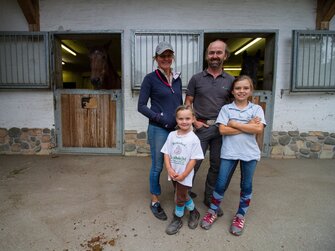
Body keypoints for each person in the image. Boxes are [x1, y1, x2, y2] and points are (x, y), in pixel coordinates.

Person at [200, 75, 266, 236]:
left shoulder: (256, 109)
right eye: (238, 88)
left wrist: (234, 123)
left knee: (246, 185)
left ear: (251, 90)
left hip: (250, 154)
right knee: (221, 184)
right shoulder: (226, 109)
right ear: (232, 91)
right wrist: (248, 125)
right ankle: (213, 211)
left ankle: (240, 215)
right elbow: (222, 130)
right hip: (229, 153)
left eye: (245, 88)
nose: (241, 91)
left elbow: (259, 130)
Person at [185, 39, 234, 216]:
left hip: (220, 130)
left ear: (225, 56)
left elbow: (234, 105)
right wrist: (194, 121)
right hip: (200, 128)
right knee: (193, 163)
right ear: (207, 56)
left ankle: (209, 197)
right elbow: (188, 102)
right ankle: (184, 195)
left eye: (219, 52)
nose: (215, 56)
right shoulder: (196, 79)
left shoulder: (231, 80)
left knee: (216, 165)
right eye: (212, 52)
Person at [138, 41, 183, 221]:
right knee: (158, 166)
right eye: (162, 56)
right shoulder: (150, 78)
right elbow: (141, 106)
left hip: (177, 129)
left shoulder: (178, 78)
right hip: (158, 129)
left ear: (172, 57)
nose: (166, 59)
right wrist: (160, 118)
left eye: (168, 55)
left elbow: (179, 101)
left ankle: (180, 192)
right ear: (156, 59)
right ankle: (155, 200)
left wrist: (184, 120)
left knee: (177, 162)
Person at [161, 105, 204, 235]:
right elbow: (166, 153)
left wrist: (184, 174)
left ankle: (177, 218)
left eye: (187, 118)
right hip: (173, 172)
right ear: (176, 119)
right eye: (181, 118)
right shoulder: (172, 135)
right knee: (183, 195)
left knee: (179, 198)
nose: (184, 121)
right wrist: (169, 169)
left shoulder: (194, 139)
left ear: (193, 119)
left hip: (185, 174)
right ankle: (194, 212)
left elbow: (193, 159)